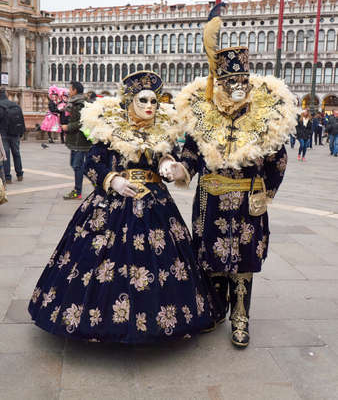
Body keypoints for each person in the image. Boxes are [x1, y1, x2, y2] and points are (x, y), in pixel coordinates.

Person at [28, 70, 221, 344]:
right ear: (130, 101)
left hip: (155, 205)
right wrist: (113, 180)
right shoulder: (110, 130)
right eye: (143, 101)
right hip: (113, 203)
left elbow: (169, 158)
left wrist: (169, 165)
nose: (149, 107)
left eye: (154, 102)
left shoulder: (161, 132)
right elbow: (92, 162)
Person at [160, 7, 298, 348]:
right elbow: (191, 153)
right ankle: (215, 310)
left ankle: (240, 316)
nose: (237, 87)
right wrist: (178, 169)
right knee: (211, 258)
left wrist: (268, 191)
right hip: (210, 200)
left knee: (244, 262)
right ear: (217, 84)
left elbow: (277, 158)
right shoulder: (203, 117)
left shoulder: (266, 116)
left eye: (241, 82)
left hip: (247, 201)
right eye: (229, 82)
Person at [62, 81, 91, 200]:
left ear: (74, 90)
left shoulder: (80, 104)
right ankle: (96, 181)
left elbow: (81, 122)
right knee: (75, 165)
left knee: (77, 165)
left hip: (80, 140)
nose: (69, 91)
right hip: (75, 140)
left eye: (70, 89)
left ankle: (78, 191)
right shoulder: (75, 102)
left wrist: (68, 127)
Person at [0, 87, 25, 184]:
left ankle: (7, 177)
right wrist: (21, 132)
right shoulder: (15, 105)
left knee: (5, 155)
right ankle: (19, 174)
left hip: (3, 133)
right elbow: (21, 120)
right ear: (6, 94)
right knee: (16, 153)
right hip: (15, 133)